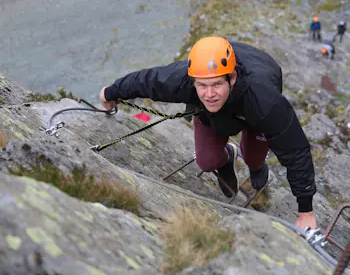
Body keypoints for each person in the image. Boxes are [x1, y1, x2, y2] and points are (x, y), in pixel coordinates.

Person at [99, 36, 318, 231]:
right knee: (207, 161)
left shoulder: (265, 101)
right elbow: (148, 81)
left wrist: (305, 211)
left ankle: (257, 166)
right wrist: (111, 92)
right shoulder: (185, 81)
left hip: (255, 107)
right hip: (214, 115)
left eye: (216, 85)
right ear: (192, 80)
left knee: (253, 156)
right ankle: (227, 157)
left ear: (232, 78)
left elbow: (295, 151)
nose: (210, 93)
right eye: (202, 86)